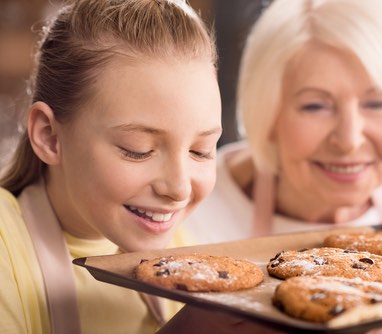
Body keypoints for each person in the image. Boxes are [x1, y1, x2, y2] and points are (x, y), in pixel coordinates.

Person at [178, 0, 382, 333]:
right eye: (315, 105)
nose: (348, 139)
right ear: (268, 112)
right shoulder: (195, 204)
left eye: (376, 103)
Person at [0, 0, 221, 333]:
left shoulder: (178, 248)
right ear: (49, 136)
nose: (179, 188)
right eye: (138, 150)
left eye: (200, 151)